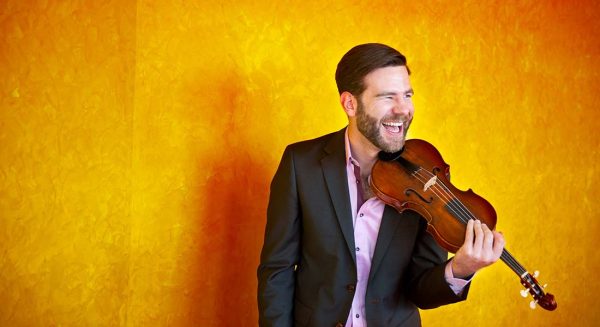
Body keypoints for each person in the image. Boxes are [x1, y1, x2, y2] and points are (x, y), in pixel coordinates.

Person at [257, 43, 505, 327]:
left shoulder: (424, 177)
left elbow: (420, 290)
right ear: (350, 103)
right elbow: (278, 270)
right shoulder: (300, 163)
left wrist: (460, 269)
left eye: (407, 95)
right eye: (388, 97)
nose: (403, 110)